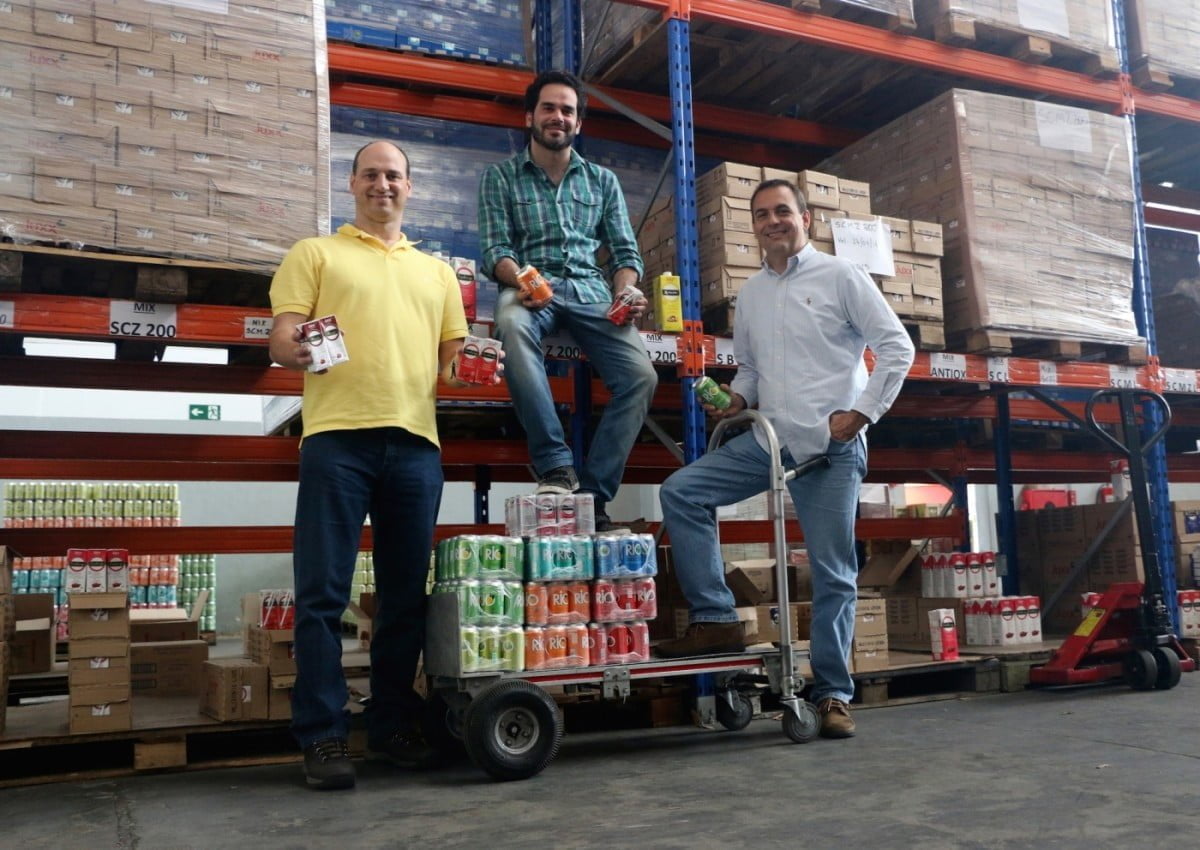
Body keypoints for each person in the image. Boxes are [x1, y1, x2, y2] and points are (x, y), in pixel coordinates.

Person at [269, 140, 496, 790]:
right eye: (371, 174)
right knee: (321, 597)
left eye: (393, 175)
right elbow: (284, 334)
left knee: (404, 599)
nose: (383, 185)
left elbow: (455, 359)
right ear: (353, 183)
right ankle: (324, 737)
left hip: (416, 446)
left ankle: (394, 724)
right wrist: (298, 352)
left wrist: (477, 369)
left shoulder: (437, 275)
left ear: (409, 186)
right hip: (337, 440)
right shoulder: (316, 254)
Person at [655, 179, 915, 740]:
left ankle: (832, 696)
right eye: (761, 215)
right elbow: (749, 370)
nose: (772, 221)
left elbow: (898, 347)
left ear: (807, 217)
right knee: (683, 491)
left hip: (831, 446)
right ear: (754, 227)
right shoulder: (751, 295)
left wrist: (862, 414)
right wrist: (735, 400)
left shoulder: (842, 277)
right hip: (769, 438)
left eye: (782, 211)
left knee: (831, 573)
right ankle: (718, 618)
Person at [478, 69, 658, 531]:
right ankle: (555, 465)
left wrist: (626, 289)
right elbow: (495, 249)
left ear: (578, 124)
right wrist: (518, 279)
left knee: (641, 376)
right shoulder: (499, 177)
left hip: (593, 294)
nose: (558, 116)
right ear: (530, 117)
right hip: (530, 286)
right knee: (512, 329)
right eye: (549, 108)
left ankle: (594, 497)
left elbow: (624, 252)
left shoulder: (602, 182)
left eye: (568, 110)